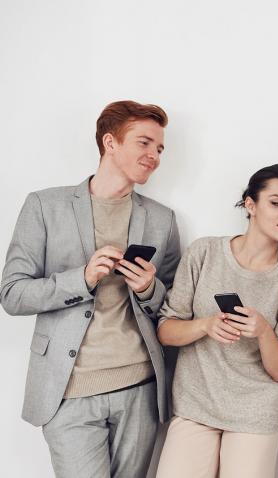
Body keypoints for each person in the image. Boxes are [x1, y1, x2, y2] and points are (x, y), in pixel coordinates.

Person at [0, 100, 179, 477]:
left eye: (160, 148)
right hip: (69, 390)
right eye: (144, 143)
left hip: (140, 388)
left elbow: (174, 305)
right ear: (110, 143)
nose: (154, 156)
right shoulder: (45, 206)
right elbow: (12, 294)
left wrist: (149, 289)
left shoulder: (162, 219)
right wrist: (81, 279)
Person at [154, 163, 278, 478]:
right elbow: (166, 331)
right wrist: (205, 325)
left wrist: (264, 331)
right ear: (250, 205)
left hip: (256, 412)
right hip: (195, 406)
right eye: (277, 203)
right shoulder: (204, 253)